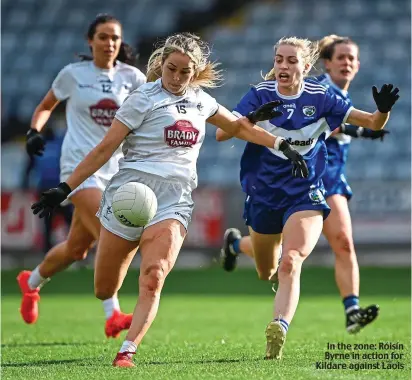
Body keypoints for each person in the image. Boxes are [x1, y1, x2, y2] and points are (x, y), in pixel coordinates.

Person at [29, 31, 306, 367]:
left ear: (195, 73)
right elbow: (105, 149)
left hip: (174, 200)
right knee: (104, 289)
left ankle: (127, 351)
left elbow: (239, 127)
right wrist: (64, 187)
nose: (176, 77)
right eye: (171, 69)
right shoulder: (141, 99)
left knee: (154, 275)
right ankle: (45, 283)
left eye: (184, 72)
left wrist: (281, 145)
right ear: (161, 64)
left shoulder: (202, 101)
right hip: (127, 195)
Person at [214, 36, 399, 359]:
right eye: (278, 60)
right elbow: (221, 133)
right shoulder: (260, 93)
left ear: (306, 66)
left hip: (305, 191)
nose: (283, 66)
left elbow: (370, 122)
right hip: (264, 192)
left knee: (292, 259)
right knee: (266, 269)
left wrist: (383, 110)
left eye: (291, 60)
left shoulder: (322, 97)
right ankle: (235, 244)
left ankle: (279, 326)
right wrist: (253, 117)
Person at [17, 14, 146, 339]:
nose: (109, 43)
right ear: (90, 41)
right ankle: (112, 314)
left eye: (115, 37)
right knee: (111, 237)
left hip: (117, 174)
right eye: (103, 37)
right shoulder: (74, 74)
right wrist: (35, 130)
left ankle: (30, 283)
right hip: (78, 172)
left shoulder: (133, 77)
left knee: (76, 249)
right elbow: (46, 105)